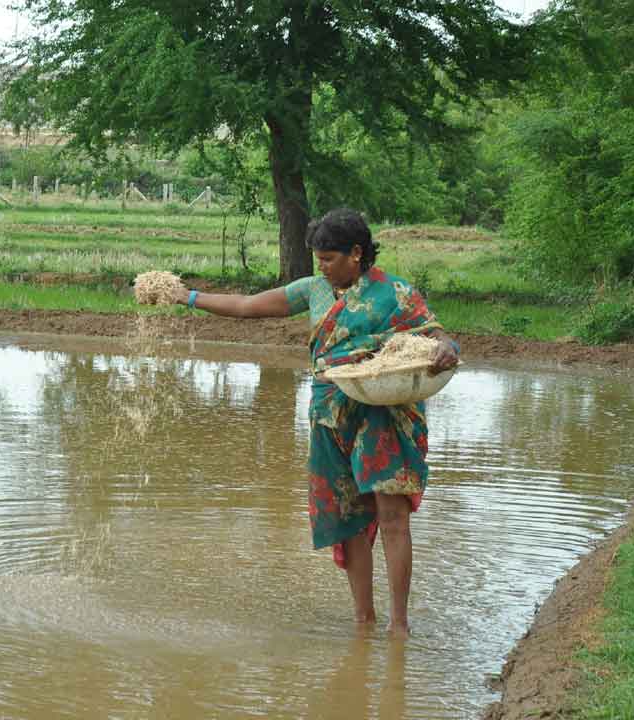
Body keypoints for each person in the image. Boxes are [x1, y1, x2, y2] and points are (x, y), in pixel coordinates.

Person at [166, 208, 459, 634]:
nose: (321, 267)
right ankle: (364, 619)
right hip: (330, 416)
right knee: (349, 518)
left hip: (385, 415)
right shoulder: (315, 290)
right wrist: (188, 297)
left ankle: (399, 625)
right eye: (318, 259)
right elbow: (248, 306)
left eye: (328, 259)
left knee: (393, 517)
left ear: (356, 253)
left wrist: (446, 347)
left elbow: (436, 336)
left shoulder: (396, 294)